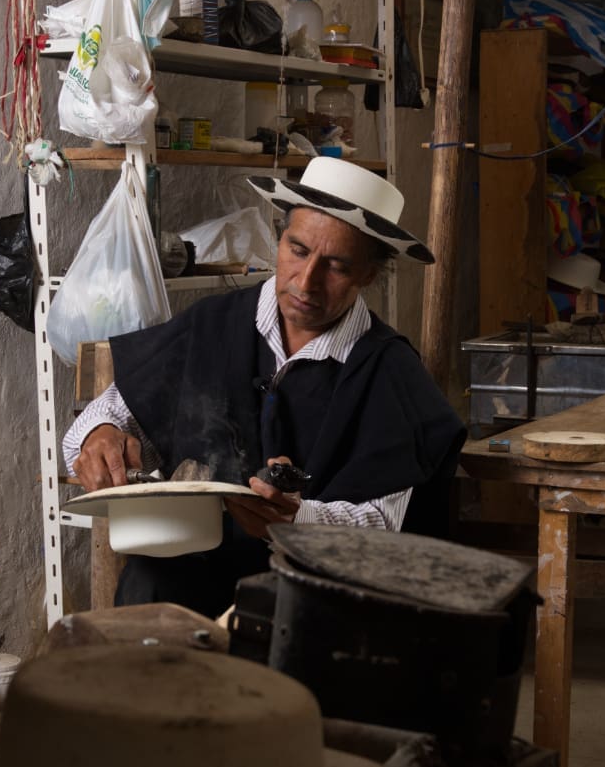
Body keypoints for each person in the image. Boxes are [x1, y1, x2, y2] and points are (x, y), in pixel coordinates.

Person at [62, 157, 466, 618]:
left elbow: (392, 525)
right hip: (197, 570)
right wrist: (103, 436)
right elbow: (99, 423)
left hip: (318, 589)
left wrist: (300, 519)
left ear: (367, 275)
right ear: (279, 238)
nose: (306, 281)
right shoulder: (212, 325)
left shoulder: (388, 372)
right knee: (150, 586)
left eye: (335, 266)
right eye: (298, 250)